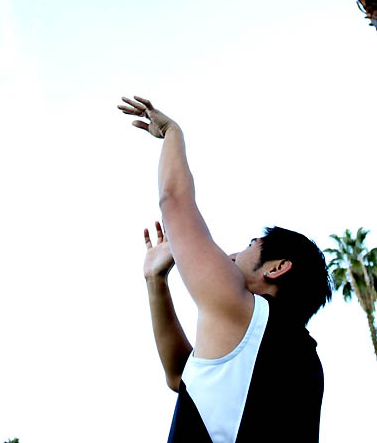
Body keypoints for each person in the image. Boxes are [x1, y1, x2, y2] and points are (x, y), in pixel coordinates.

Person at [118, 96, 332, 443]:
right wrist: (156, 280)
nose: (231, 255)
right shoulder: (304, 360)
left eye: (251, 244)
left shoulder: (249, 314)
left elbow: (175, 200)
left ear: (277, 267)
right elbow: (182, 376)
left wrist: (172, 132)